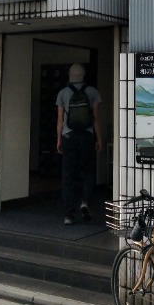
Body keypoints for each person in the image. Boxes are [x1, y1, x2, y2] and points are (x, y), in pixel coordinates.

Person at [56, 63, 102, 225]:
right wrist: (99, 139)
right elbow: (95, 119)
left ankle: (68, 215)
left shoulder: (63, 93)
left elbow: (60, 121)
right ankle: (85, 201)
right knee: (89, 171)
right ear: (83, 75)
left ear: (70, 75)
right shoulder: (92, 92)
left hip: (69, 137)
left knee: (68, 176)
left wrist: (59, 139)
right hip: (87, 137)